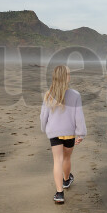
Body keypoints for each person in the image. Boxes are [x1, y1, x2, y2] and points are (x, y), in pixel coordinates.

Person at [40, 65, 86, 204]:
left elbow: (43, 117)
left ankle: (59, 193)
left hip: (54, 132)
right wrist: (81, 133)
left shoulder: (49, 94)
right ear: (65, 77)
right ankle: (66, 180)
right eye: (68, 74)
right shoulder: (75, 95)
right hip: (69, 132)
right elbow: (79, 116)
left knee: (57, 161)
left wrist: (44, 129)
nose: (70, 76)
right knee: (66, 158)